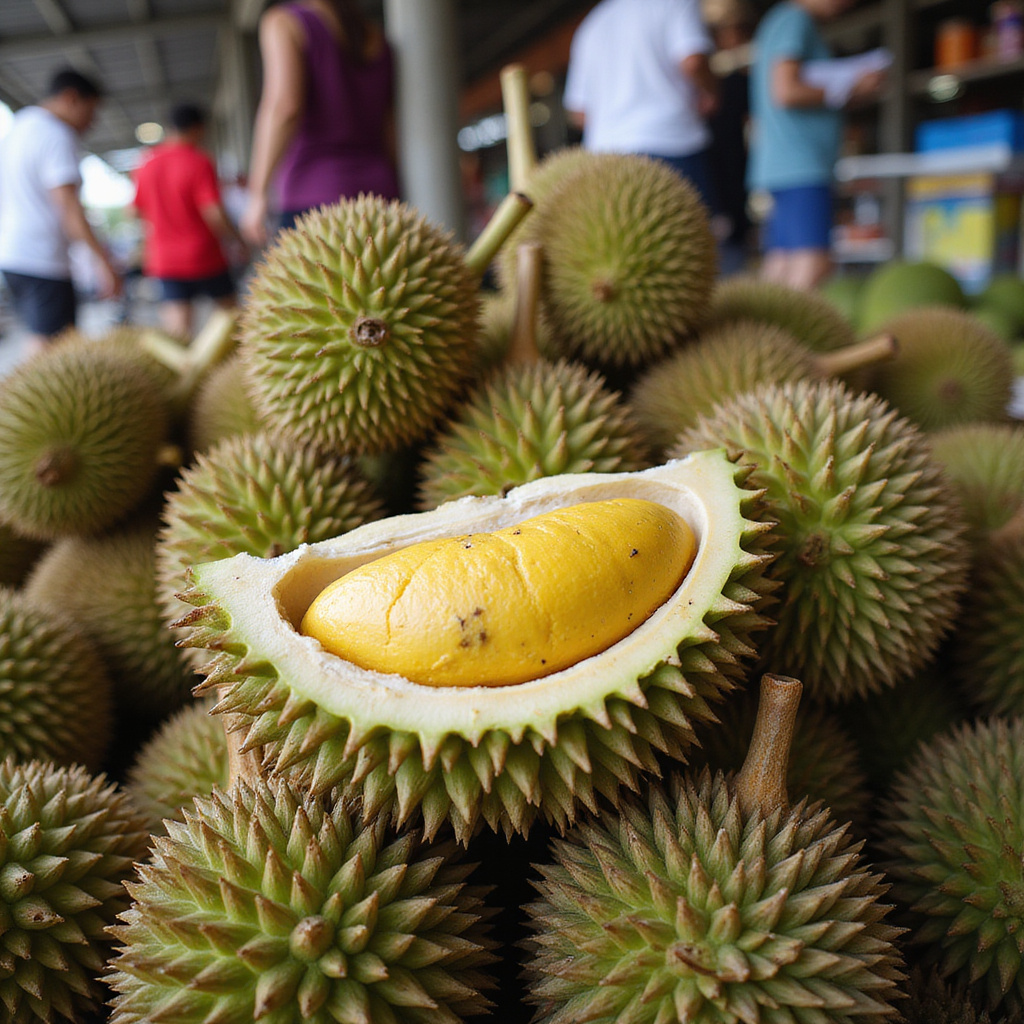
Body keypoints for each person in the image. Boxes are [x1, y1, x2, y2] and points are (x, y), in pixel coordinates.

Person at [748, 0, 886, 290]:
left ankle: (766, 329)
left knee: (781, 264)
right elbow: (786, 90)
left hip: (781, 163)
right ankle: (786, 335)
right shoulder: (796, 20)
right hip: (802, 162)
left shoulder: (778, 20)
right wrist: (851, 87)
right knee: (813, 264)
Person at [240, 0, 399, 248]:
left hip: (315, 200)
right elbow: (389, 126)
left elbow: (284, 108)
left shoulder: (284, 22)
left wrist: (257, 194)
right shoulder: (375, 36)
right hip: (381, 196)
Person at [0, 68, 122, 350]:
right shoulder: (56, 135)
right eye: (91, 111)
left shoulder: (18, 127)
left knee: (39, 336)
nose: (92, 122)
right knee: (53, 347)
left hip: (12, 255)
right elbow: (69, 207)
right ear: (70, 98)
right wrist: (103, 261)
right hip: (43, 258)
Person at [562, 0, 720, 209]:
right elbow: (693, 61)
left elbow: (578, 112)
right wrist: (711, 93)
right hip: (670, 143)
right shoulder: (674, 3)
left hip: (606, 157)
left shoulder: (591, 25)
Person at [133, 102, 244, 338]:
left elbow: (133, 211)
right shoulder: (200, 161)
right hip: (205, 256)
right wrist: (237, 239)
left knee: (179, 334)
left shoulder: (145, 163)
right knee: (234, 325)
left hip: (165, 259)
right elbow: (213, 212)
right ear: (198, 128)